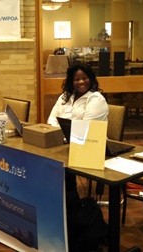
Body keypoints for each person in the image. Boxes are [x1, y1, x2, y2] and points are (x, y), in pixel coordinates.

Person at [47, 63, 108, 203]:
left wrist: (60, 135)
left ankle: (70, 202)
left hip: (90, 147)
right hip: (65, 143)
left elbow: (85, 128)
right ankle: (63, 200)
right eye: (76, 79)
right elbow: (52, 118)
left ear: (91, 78)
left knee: (60, 166)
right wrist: (60, 135)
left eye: (84, 78)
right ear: (71, 81)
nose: (81, 82)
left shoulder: (96, 99)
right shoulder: (65, 96)